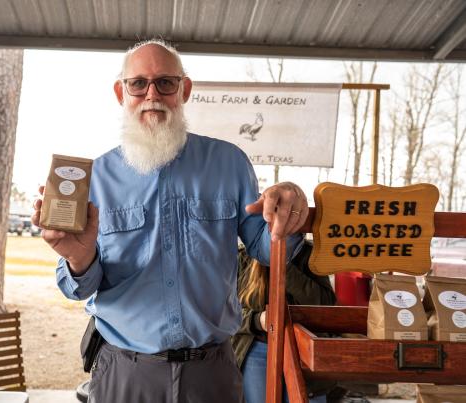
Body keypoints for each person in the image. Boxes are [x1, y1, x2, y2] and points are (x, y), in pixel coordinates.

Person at [32, 39, 309, 403]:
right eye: (138, 83)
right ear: (121, 92)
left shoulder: (229, 163)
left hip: (212, 373)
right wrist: (79, 260)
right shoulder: (95, 178)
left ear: (184, 89)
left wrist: (292, 209)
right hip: (125, 374)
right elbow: (78, 288)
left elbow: (271, 250)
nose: (152, 94)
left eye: (166, 82)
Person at [233, 242, 336, 403]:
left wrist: (284, 266)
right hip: (256, 349)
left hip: (304, 350)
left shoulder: (311, 255)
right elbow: (226, 314)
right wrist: (257, 320)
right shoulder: (243, 257)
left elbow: (326, 305)